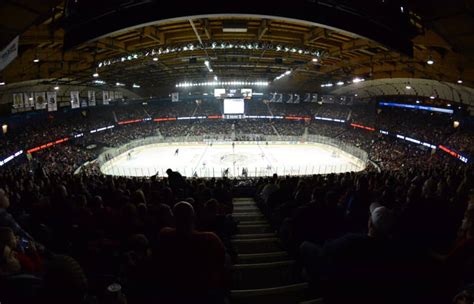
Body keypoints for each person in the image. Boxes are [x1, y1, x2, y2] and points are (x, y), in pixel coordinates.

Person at [155, 202, 226, 302]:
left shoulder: (164, 236)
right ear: (194, 218)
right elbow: (222, 263)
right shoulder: (210, 239)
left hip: (173, 295)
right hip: (205, 295)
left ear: (173, 219)